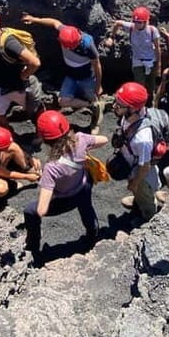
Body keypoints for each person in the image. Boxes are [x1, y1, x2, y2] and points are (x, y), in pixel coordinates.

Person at [24, 110, 108, 265]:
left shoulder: (51, 168)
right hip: (83, 185)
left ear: (44, 139)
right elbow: (104, 140)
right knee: (86, 207)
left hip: (65, 198)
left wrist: (45, 182)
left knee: (30, 211)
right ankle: (92, 234)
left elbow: (41, 210)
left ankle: (33, 247)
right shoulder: (81, 139)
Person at [21, 13, 104, 131]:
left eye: (71, 47)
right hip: (71, 75)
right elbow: (54, 22)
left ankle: (95, 123)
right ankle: (89, 105)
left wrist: (98, 85)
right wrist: (35, 19)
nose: (69, 49)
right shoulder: (65, 31)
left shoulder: (88, 44)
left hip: (87, 77)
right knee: (63, 101)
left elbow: (97, 65)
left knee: (95, 99)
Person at [113, 82, 162, 221]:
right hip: (132, 161)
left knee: (146, 198)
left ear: (133, 108)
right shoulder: (130, 115)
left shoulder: (143, 138)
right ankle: (138, 201)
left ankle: (148, 218)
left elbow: (144, 166)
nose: (115, 106)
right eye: (116, 101)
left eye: (120, 104)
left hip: (141, 173)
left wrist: (135, 183)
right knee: (139, 193)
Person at [106, 6, 161, 102]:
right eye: (135, 22)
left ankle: (150, 101)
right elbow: (118, 23)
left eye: (139, 22)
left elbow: (157, 47)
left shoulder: (152, 31)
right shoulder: (131, 27)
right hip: (137, 60)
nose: (137, 24)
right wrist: (111, 37)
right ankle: (139, 103)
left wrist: (159, 64)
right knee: (139, 84)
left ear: (146, 22)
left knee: (151, 84)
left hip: (151, 60)